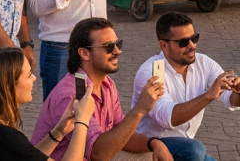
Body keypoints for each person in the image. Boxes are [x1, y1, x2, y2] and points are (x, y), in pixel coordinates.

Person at [32, 18, 172, 161]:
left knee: (153, 155)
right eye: (109, 47)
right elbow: (98, 154)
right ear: (84, 53)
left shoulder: (107, 83)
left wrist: (153, 143)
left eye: (118, 44)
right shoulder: (71, 96)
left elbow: (121, 133)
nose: (118, 51)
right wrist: (140, 109)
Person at [133, 13, 240, 161]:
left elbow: (231, 100)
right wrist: (208, 96)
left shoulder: (204, 63)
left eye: (194, 38)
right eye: (183, 42)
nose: (192, 46)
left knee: (195, 151)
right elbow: (167, 118)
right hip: (151, 148)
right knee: (195, 149)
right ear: (164, 45)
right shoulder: (152, 72)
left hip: (186, 149)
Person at [0, 47, 95, 161]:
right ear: (8, 85)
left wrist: (59, 131)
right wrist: (82, 121)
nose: (34, 79)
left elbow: (27, 156)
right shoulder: (1, 136)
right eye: (28, 75)